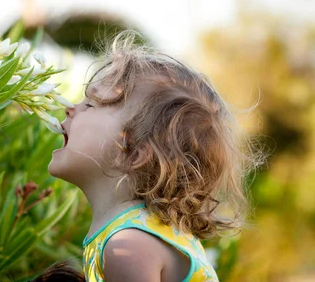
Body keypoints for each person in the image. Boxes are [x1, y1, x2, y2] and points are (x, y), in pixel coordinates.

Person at [34, 29, 264, 282]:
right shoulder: (136, 232)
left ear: (133, 153)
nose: (69, 108)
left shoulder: (128, 245)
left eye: (90, 104)